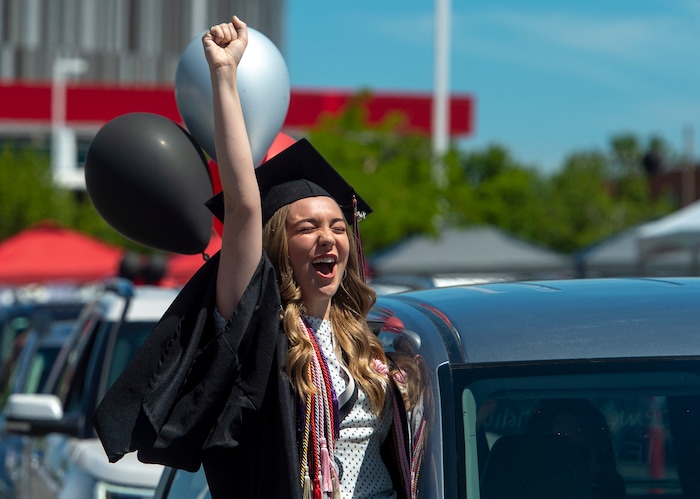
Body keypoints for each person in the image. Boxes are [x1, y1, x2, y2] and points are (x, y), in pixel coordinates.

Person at [92, 16, 424, 499]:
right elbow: (244, 207)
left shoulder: (364, 340)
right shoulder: (258, 334)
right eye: (307, 228)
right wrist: (224, 76)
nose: (329, 238)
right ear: (277, 246)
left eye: (336, 226)